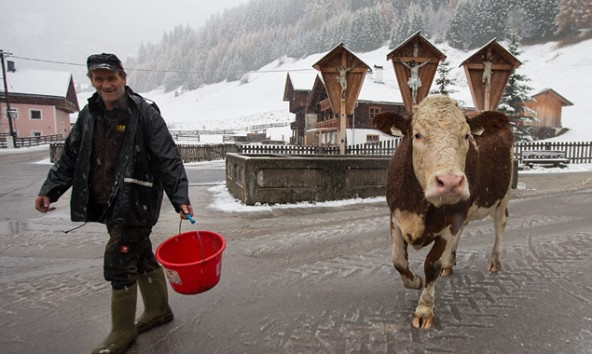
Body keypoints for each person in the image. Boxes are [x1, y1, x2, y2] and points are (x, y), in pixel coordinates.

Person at [35, 53, 193, 354]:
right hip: (107, 201)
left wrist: (180, 197)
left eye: (111, 78)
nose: (106, 84)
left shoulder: (143, 112)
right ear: (92, 82)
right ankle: (159, 310)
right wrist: (50, 189)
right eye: (99, 79)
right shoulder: (89, 113)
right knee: (140, 253)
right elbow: (70, 156)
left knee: (119, 259)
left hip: (137, 199)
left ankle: (122, 331)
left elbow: (167, 156)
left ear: (123, 77)